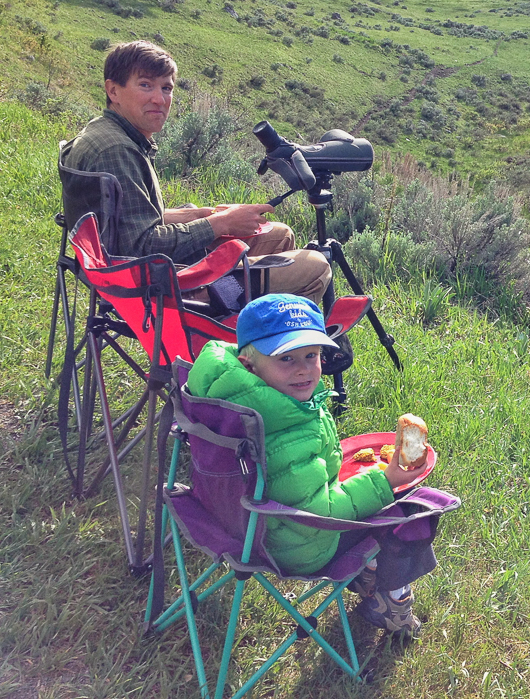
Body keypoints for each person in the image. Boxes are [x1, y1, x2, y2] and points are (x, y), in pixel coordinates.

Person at [187, 294, 435, 637]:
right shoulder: (284, 429)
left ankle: (370, 573)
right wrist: (386, 479)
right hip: (297, 545)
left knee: (374, 490)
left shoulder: (227, 397)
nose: (304, 369)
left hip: (231, 523)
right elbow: (322, 514)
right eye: (286, 358)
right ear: (248, 365)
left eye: (312, 355)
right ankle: (393, 604)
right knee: (409, 510)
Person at [63, 40, 330, 302]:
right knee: (315, 266)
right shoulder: (117, 150)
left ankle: (253, 325)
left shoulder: (102, 133)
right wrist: (221, 224)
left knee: (279, 235)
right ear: (113, 91)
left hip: (128, 272)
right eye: (145, 85)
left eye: (166, 88)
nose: (159, 99)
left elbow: (125, 221)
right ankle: (252, 333)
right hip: (161, 287)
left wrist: (203, 215)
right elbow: (141, 247)